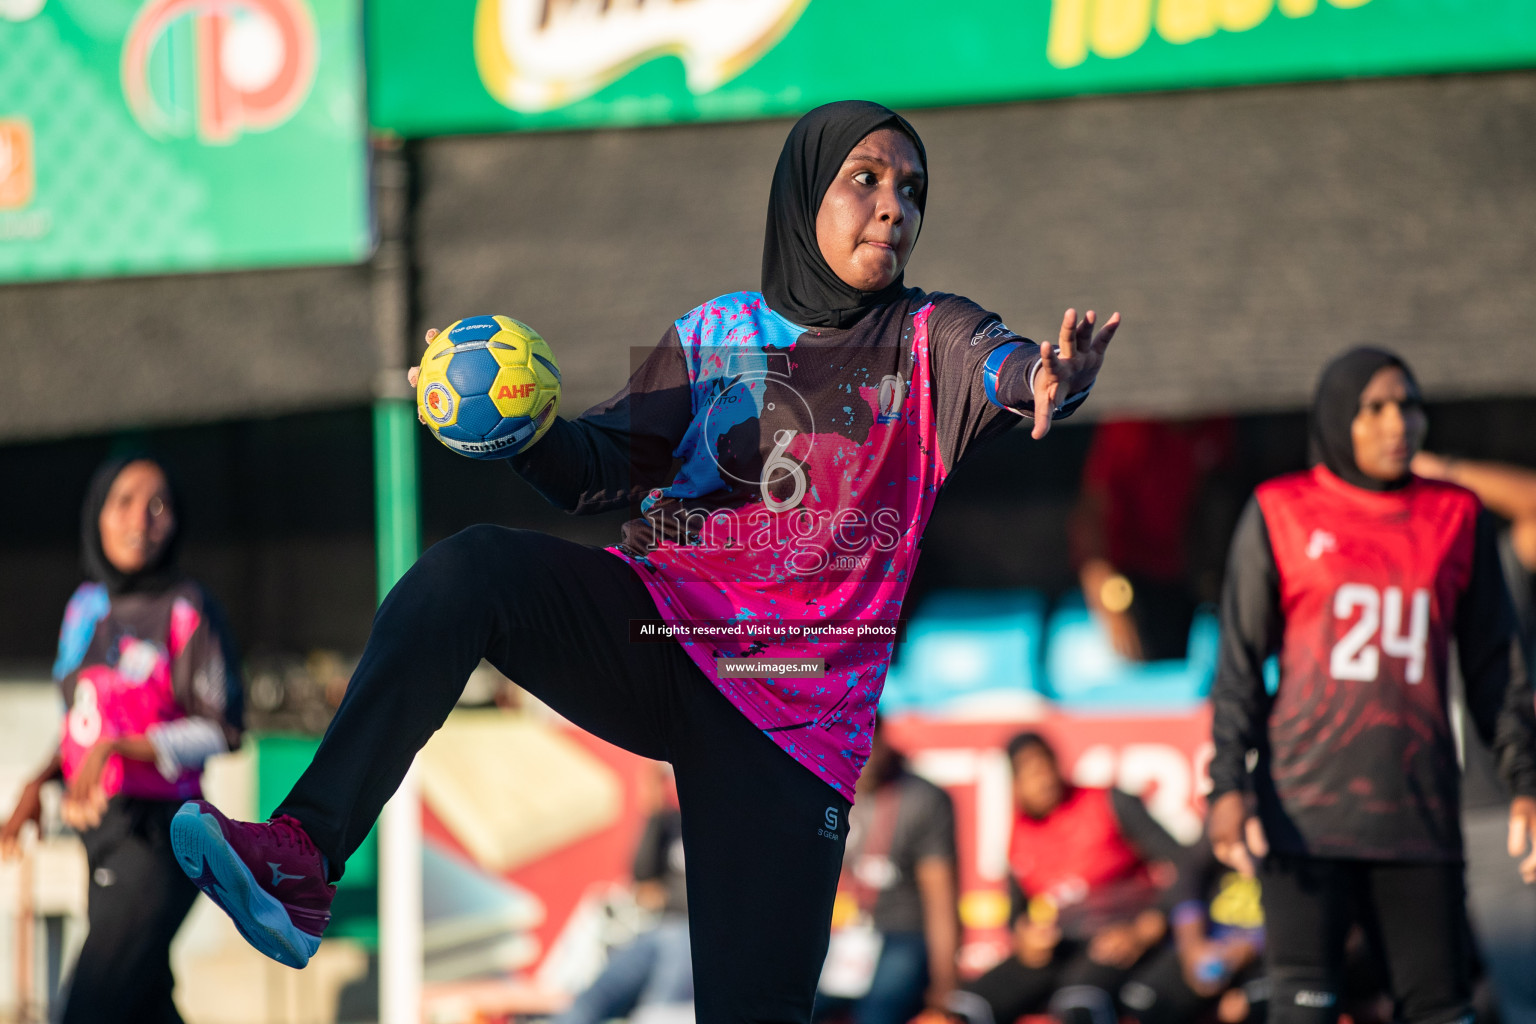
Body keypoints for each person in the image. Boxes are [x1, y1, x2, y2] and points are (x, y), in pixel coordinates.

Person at [167, 100, 1120, 1022]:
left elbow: (1006, 365)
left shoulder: (929, 340)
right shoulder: (716, 333)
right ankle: (303, 855)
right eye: (864, 180)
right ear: (801, 197)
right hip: (659, 636)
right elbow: (593, 471)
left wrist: (1049, 377)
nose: (894, 207)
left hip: (789, 725)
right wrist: (509, 423)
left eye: (912, 191)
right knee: (470, 573)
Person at [1207, 347, 1536, 1024]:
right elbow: (1239, 664)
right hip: (1304, 817)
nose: (1399, 423)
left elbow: (1494, 668)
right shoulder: (1280, 511)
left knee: (1440, 1010)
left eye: (1410, 405)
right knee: (1303, 1010)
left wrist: (1526, 781)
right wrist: (1226, 785)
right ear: (1336, 418)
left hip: (1418, 819)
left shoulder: (1456, 516)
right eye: (1376, 407)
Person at [0, 454, 244, 1024]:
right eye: (125, 502)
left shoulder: (188, 609)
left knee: (89, 1009)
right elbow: (82, 724)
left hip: (161, 837)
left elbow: (223, 728)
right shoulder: (85, 608)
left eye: (158, 505)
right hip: (100, 834)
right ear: (98, 515)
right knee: (142, 1005)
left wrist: (124, 747)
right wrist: (39, 783)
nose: (141, 519)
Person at [1411, 451, 1536, 1024]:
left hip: (1495, 815)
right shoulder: (1356, 562)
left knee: (1523, 997)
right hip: (1396, 821)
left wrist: (1443, 470)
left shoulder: (1492, 564)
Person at [951, 732, 1184, 1024]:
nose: (1043, 777)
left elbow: (1186, 866)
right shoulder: (1018, 832)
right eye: (1029, 770)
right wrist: (1025, 936)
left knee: (1080, 1003)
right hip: (1058, 946)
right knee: (967, 1007)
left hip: (1116, 937)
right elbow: (1017, 916)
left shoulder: (1109, 802)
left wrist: (1148, 925)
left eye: (1045, 764)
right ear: (1015, 784)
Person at [815, 716, 959, 1024]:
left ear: (879, 740)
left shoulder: (922, 799)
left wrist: (945, 981)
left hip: (901, 933)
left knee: (878, 1013)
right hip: (838, 935)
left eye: (863, 742)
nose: (854, 754)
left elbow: (940, 899)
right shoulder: (822, 790)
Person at [1070, 417, 1235, 661]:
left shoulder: (1217, 423)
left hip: (1187, 579)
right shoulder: (1129, 427)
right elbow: (1089, 517)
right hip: (1130, 582)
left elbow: (1216, 499)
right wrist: (1112, 605)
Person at [553, 764, 692, 1024]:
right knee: (593, 999)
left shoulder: (727, 835)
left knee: (662, 1008)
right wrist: (654, 810)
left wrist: (665, 896)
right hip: (657, 929)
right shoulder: (673, 824)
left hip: (691, 937)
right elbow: (641, 878)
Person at [1116, 836, 1266, 1024]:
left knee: (1249, 1008)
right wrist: (1192, 945)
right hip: (1205, 943)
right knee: (1142, 1001)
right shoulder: (1219, 830)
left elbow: (1301, 917)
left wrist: (1250, 947)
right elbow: (1188, 880)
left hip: (1265, 956)